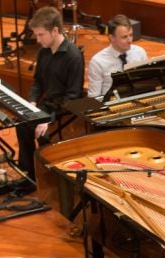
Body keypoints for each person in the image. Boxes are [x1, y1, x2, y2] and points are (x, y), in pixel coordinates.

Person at [15, 6, 84, 187]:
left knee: (44, 133)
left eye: (40, 35)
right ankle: (30, 174)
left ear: (54, 30)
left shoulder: (73, 56)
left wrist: (48, 120)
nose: (38, 40)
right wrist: (31, 101)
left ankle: (50, 178)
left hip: (63, 110)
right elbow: (37, 81)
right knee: (21, 124)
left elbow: (73, 96)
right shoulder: (44, 51)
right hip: (46, 106)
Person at [87, 14, 147, 98]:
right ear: (112, 38)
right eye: (124, 37)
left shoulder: (140, 53)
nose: (130, 40)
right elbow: (94, 97)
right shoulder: (97, 62)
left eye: (131, 35)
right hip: (111, 105)